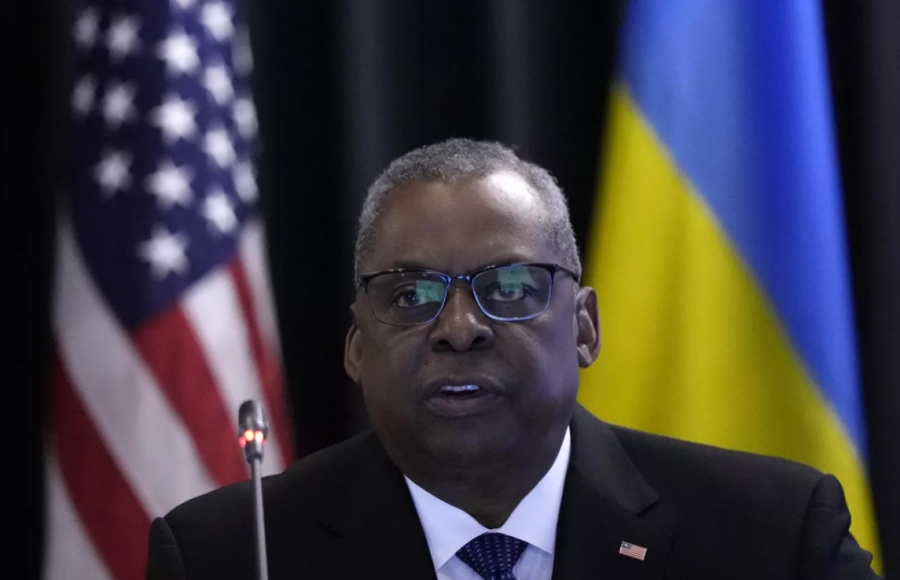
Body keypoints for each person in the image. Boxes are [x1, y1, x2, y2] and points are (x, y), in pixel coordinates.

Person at [146, 139, 880, 580]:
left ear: (584, 327)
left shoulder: (773, 535)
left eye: (510, 288)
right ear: (357, 347)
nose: (460, 328)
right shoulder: (231, 556)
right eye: (410, 295)